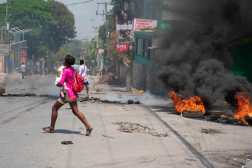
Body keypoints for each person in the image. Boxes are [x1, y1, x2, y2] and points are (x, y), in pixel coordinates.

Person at [43, 55, 93, 136]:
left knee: (54, 108)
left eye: (64, 60)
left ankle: (51, 128)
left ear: (66, 62)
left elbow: (61, 82)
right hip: (73, 93)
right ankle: (88, 126)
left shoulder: (65, 70)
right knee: (76, 111)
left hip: (66, 94)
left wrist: (57, 83)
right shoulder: (73, 70)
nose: (63, 61)